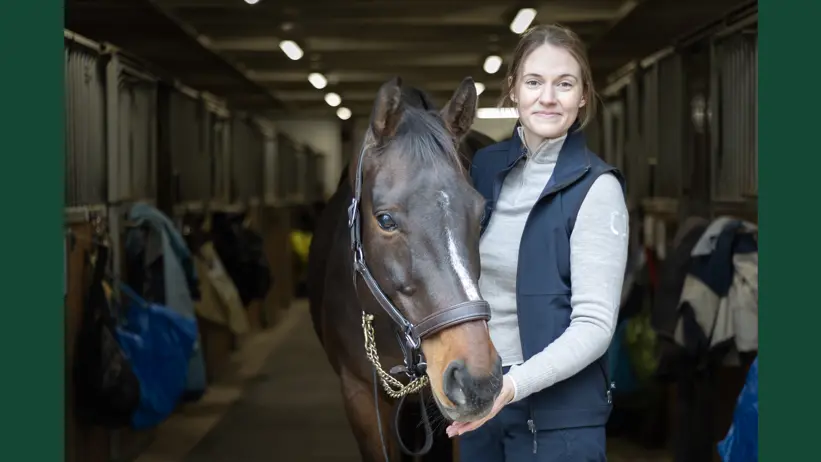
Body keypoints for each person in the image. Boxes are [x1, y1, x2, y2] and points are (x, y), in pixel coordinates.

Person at [445, 24, 630, 461]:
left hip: (558, 421)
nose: (548, 97)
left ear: (583, 95)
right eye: (534, 82)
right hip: (483, 399)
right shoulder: (483, 170)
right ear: (513, 90)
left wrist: (513, 386)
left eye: (564, 84)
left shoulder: (597, 188)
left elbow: (595, 326)